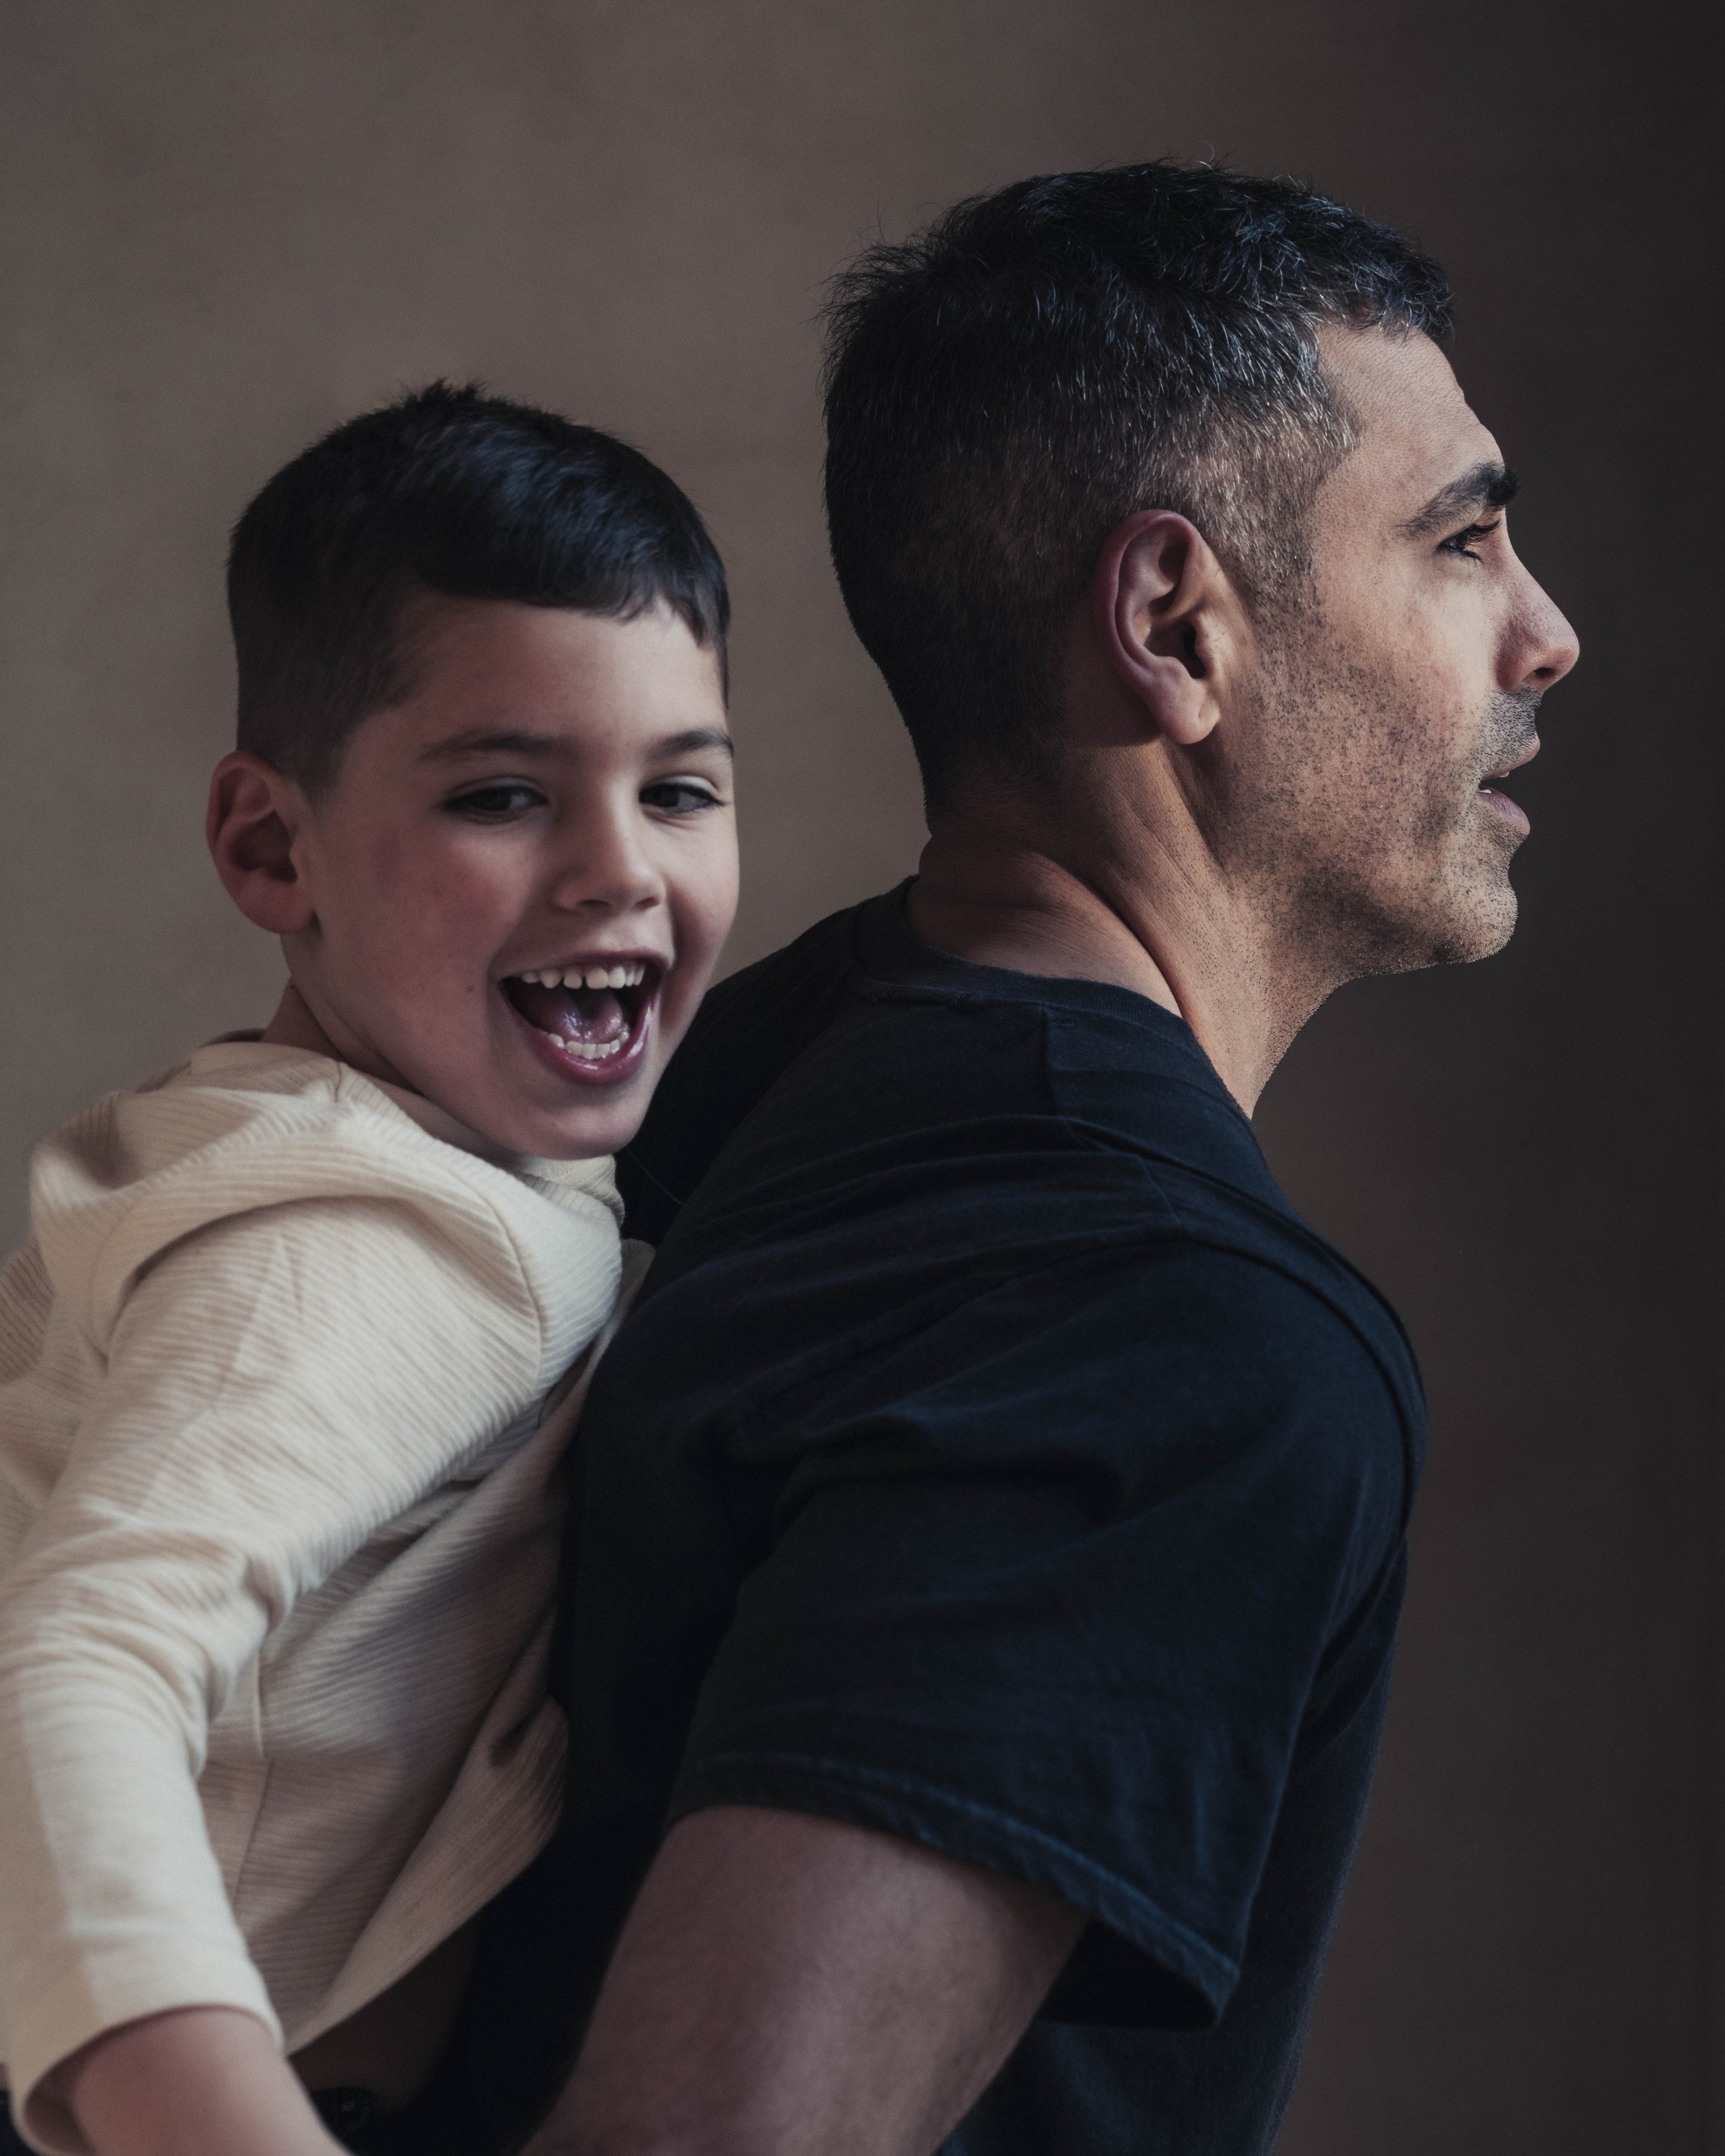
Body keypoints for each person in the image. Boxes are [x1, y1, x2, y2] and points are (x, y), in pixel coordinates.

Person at [486, 164, 1579, 2156]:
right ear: (1174, 624)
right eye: (1461, 541)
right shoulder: (1168, 1329)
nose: (1545, 635)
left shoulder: (725, 1073)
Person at [0, 385, 738, 2156]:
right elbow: (75, 1672)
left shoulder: (331, 1144)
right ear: (273, 849)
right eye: (502, 796)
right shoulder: (367, 1234)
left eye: (678, 789)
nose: (618, 870)